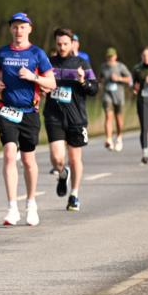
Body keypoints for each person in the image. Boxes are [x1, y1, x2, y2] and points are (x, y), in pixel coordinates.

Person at [0, 12, 56, 226]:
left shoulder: (37, 54)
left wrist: (33, 77)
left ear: (29, 29)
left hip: (29, 112)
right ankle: (12, 208)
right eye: (15, 27)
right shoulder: (2, 53)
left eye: (22, 27)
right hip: (6, 110)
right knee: (10, 154)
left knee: (28, 160)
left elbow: (52, 83)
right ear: (11, 29)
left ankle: (31, 203)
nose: (18, 31)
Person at [44, 28, 98, 211]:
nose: (62, 47)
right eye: (59, 44)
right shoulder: (48, 63)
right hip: (54, 116)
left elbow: (94, 89)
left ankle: (74, 195)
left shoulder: (81, 63)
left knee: (75, 159)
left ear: (72, 44)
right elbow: (40, 83)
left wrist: (82, 81)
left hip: (76, 118)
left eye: (65, 44)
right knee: (57, 158)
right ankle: (62, 173)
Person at [98, 47, 133, 151]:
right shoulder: (103, 67)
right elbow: (99, 79)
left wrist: (119, 78)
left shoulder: (121, 66)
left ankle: (119, 138)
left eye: (111, 56)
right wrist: (100, 83)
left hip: (119, 95)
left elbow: (129, 79)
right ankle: (109, 140)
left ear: (115, 56)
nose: (110, 58)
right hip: (107, 94)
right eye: (108, 56)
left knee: (118, 118)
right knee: (108, 116)